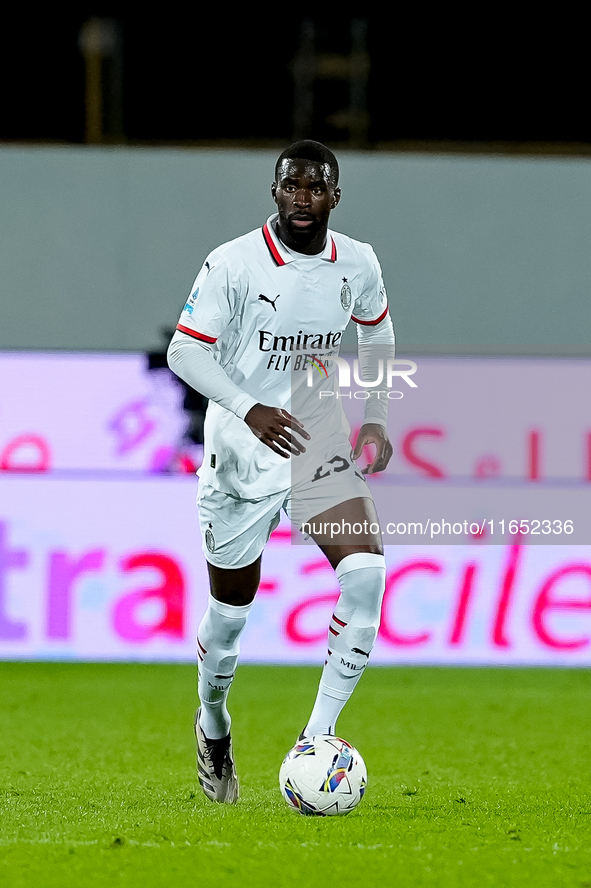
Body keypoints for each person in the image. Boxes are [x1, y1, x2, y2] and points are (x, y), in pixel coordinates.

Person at [167, 140, 395, 804]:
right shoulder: (232, 263)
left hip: (315, 439)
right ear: (274, 191)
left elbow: (376, 333)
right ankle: (212, 722)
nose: (302, 198)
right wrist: (248, 408)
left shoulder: (357, 262)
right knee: (229, 615)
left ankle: (315, 738)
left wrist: (375, 416)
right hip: (239, 453)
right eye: (290, 186)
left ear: (334, 196)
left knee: (365, 574)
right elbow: (186, 352)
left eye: (315, 187)